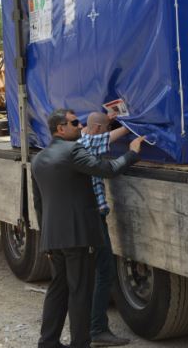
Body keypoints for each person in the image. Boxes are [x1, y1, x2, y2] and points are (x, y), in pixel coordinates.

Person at [32, 108, 144, 348]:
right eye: (74, 123)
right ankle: (80, 343)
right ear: (60, 128)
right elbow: (107, 170)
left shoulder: (38, 159)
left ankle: (48, 342)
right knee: (80, 291)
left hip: (53, 237)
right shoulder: (73, 151)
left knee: (58, 289)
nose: (80, 126)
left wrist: (45, 241)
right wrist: (132, 154)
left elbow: (38, 203)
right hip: (77, 235)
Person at [79, 112, 131, 347]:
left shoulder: (81, 137)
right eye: (106, 127)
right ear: (99, 129)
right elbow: (112, 137)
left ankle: (91, 327)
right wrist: (132, 126)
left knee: (95, 271)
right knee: (105, 271)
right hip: (93, 218)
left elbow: (97, 130)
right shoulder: (89, 143)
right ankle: (97, 329)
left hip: (86, 217)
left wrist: (108, 119)